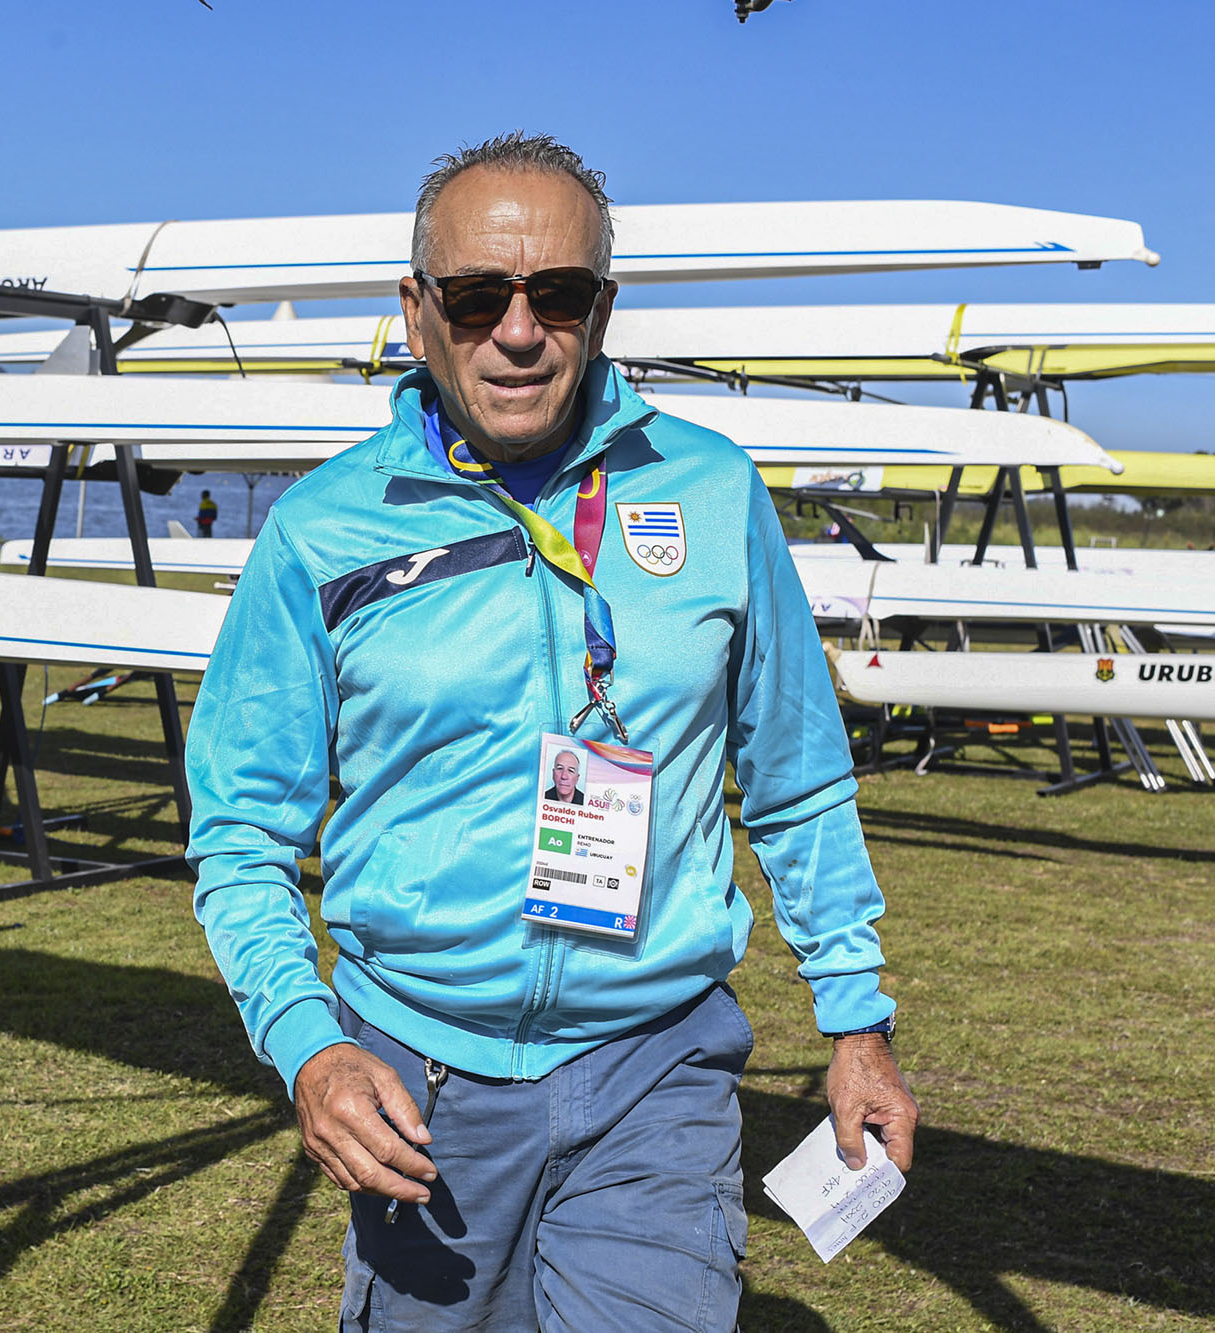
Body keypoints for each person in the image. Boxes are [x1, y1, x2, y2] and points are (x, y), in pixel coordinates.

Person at [186, 132, 916, 1331]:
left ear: (601, 308)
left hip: (655, 1063)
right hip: (416, 1078)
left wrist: (854, 1020)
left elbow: (796, 779)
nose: (517, 332)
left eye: (556, 295)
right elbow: (239, 833)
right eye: (477, 296)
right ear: (416, 311)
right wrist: (306, 1042)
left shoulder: (711, 490)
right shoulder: (320, 529)